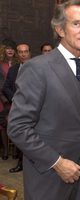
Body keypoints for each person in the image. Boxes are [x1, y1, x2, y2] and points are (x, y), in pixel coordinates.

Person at [7, 1, 80, 200]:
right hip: (48, 175)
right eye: (77, 24)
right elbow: (17, 127)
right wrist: (57, 162)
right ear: (60, 29)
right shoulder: (37, 68)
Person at [3, 43, 31, 172]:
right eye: (20, 52)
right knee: (21, 135)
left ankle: (33, 164)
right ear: (17, 54)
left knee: (33, 136)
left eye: (25, 51)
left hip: (34, 107)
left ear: (29, 53)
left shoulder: (37, 67)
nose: (23, 54)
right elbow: (6, 87)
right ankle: (21, 163)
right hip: (19, 108)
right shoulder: (14, 69)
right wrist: (15, 99)